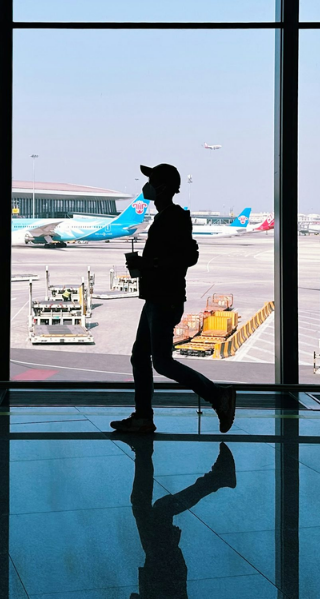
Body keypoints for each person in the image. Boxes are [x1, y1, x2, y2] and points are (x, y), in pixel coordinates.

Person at [111, 163, 236, 434]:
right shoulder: (165, 217)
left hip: (165, 299)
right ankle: (143, 416)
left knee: (161, 362)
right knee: (140, 357)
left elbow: (186, 257)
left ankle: (218, 396)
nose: (147, 187)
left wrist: (148, 264)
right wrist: (147, 265)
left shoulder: (175, 217)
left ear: (162, 187)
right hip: (155, 298)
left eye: (152, 181)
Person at [123, 437, 237, 598]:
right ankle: (143, 451)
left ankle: (144, 451)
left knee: (154, 508)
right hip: (163, 581)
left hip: (162, 578)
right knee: (150, 507)